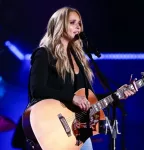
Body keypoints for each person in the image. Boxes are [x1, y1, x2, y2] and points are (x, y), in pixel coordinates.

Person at [26, 6, 137, 150]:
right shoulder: (44, 54)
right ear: (59, 24)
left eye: (79, 23)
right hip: (54, 127)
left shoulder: (80, 60)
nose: (78, 26)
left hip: (78, 132)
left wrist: (118, 94)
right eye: (72, 22)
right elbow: (37, 89)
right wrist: (71, 98)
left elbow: (90, 101)